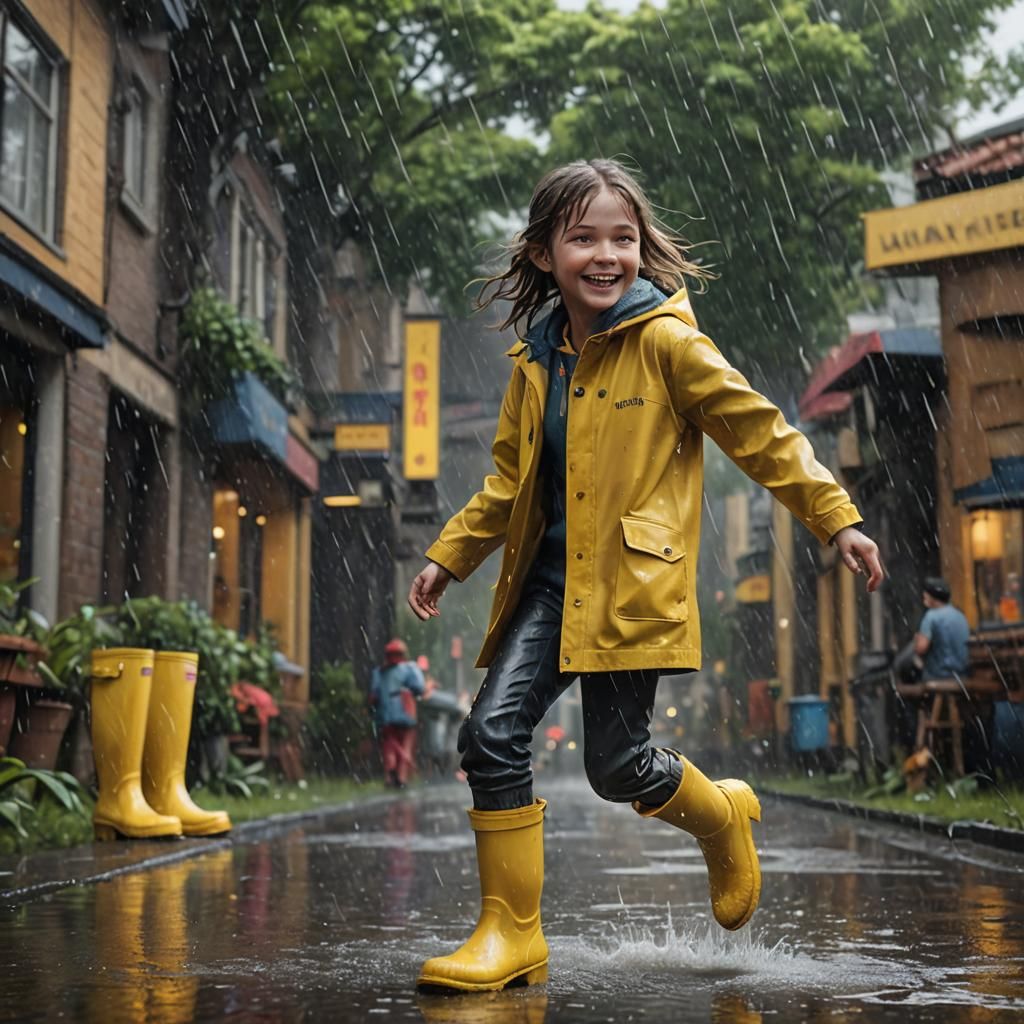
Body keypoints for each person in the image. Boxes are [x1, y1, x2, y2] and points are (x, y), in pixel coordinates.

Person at [407, 159, 883, 993]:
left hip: (630, 589)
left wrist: (834, 514)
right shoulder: (536, 359)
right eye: (582, 237)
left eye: (621, 238)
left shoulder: (667, 340)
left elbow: (760, 432)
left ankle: (724, 815)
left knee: (617, 766)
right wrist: (451, 554)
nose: (605, 255)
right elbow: (509, 483)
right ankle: (511, 933)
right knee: (488, 736)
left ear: (641, 248)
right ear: (546, 251)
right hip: (549, 590)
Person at [368, 638, 425, 788]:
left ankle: (390, 774)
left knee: (389, 745)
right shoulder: (409, 668)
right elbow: (418, 687)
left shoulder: (379, 673)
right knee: (406, 744)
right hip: (406, 712)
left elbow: (373, 696)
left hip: (386, 715)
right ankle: (401, 778)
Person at [914, 577, 970, 681]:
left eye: (926, 593)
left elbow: (921, 648)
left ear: (932, 597)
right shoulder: (960, 615)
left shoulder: (931, 616)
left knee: (908, 670)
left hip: (940, 674)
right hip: (962, 673)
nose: (924, 596)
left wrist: (917, 641)